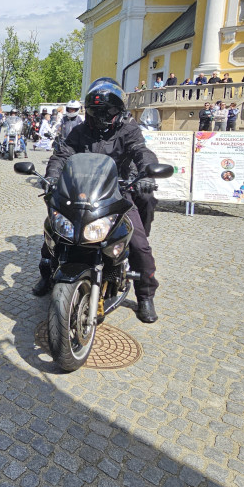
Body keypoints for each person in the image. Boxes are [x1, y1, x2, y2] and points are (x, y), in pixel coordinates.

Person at [33, 78, 162, 324]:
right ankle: (47, 273)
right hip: (83, 190)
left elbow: (141, 151)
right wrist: (52, 176)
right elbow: (62, 154)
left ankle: (145, 294)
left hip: (118, 191)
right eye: (95, 111)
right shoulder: (81, 130)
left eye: (106, 111)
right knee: (56, 230)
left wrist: (147, 173)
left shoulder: (128, 130)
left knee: (138, 244)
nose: (101, 116)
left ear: (118, 110)